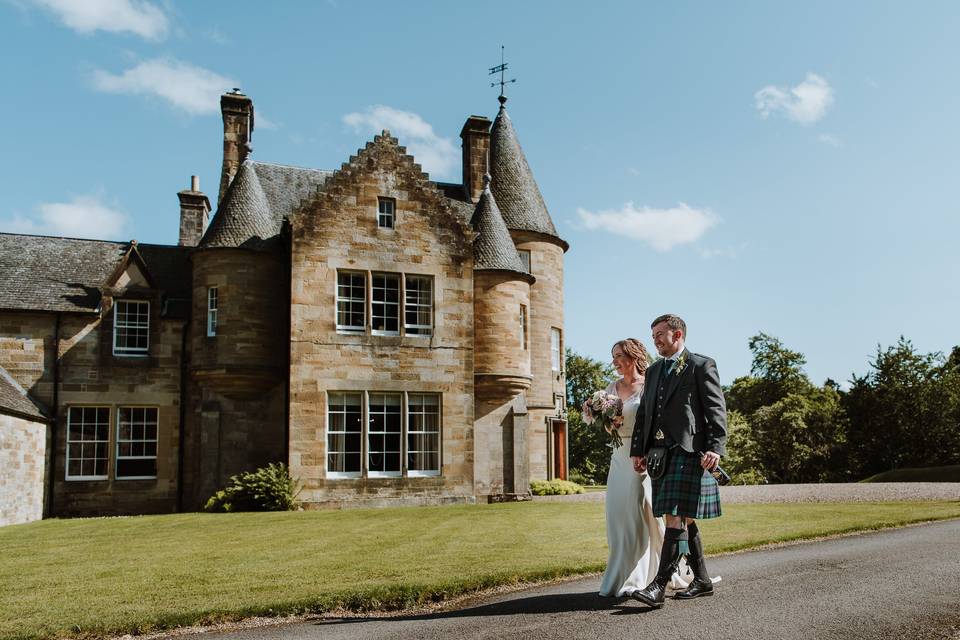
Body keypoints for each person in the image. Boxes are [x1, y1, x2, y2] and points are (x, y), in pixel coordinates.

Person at [629, 314, 727, 608]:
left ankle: (658, 587)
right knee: (685, 516)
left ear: (678, 334)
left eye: (660, 334)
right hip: (661, 454)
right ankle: (703, 580)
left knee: (674, 515)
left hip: (689, 451)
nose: (655, 340)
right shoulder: (655, 370)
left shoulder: (700, 365)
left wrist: (715, 447)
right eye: (653, 335)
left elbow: (715, 409)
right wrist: (639, 449)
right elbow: (645, 412)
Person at [598, 339, 690, 598]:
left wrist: (650, 451)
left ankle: (641, 578)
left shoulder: (651, 383)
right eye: (613, 356)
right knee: (618, 516)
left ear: (633, 356)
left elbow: (659, 419)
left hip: (643, 458)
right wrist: (608, 421)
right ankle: (621, 575)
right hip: (618, 456)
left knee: (640, 514)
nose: (614, 361)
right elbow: (608, 425)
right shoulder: (610, 388)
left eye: (619, 355)